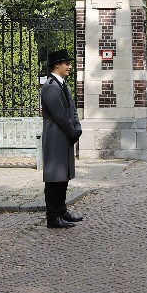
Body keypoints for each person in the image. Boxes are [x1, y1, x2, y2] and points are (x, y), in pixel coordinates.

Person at [40, 49, 83, 228]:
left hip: (65, 135)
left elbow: (72, 110)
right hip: (56, 136)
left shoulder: (64, 85)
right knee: (54, 177)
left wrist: (77, 127)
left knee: (63, 175)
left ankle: (61, 210)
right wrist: (73, 132)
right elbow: (60, 115)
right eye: (67, 63)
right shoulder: (50, 86)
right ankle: (53, 216)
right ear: (57, 65)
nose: (70, 66)